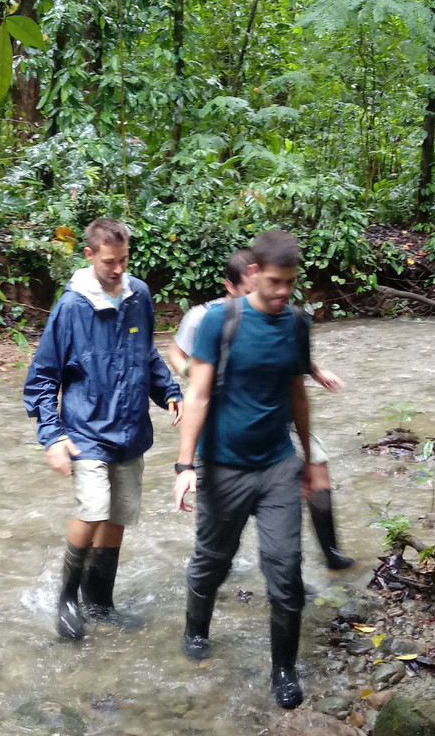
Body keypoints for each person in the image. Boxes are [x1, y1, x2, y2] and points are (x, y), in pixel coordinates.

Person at [173, 229, 317, 710]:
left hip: (278, 466)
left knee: (286, 569)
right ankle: (196, 628)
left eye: (290, 284)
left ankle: (284, 670)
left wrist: (310, 461)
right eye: (275, 282)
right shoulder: (220, 321)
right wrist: (184, 464)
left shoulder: (297, 324)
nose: (282, 293)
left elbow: (297, 391)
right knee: (212, 561)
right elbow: (197, 394)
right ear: (253, 273)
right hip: (224, 468)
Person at [24, 218, 183, 640]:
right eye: (109, 261)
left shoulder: (139, 295)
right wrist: (53, 437)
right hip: (85, 430)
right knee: (93, 508)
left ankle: (100, 601)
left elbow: (145, 351)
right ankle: (68, 599)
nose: (118, 269)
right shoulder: (71, 308)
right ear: (90, 255)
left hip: (130, 427)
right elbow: (42, 378)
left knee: (118, 514)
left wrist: (169, 390)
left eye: (124, 260)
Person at [168, 248, 355, 570]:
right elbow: (175, 352)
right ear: (231, 287)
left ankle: (330, 552)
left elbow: (283, 347)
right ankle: (218, 567)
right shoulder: (206, 317)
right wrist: (196, 377)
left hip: (279, 408)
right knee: (230, 500)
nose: (260, 299)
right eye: (247, 293)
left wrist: (314, 370)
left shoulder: (281, 312)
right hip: (230, 416)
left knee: (318, 469)